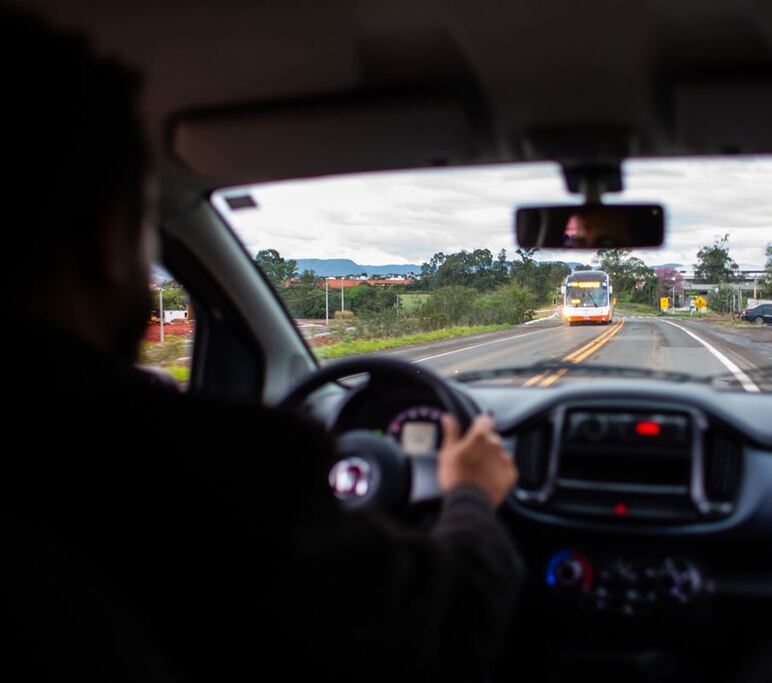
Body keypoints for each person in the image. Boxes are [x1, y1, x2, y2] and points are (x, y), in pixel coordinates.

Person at [3, 9, 522, 681]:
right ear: (108, 241)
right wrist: (472, 493)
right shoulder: (216, 468)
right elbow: (447, 626)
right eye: (146, 236)